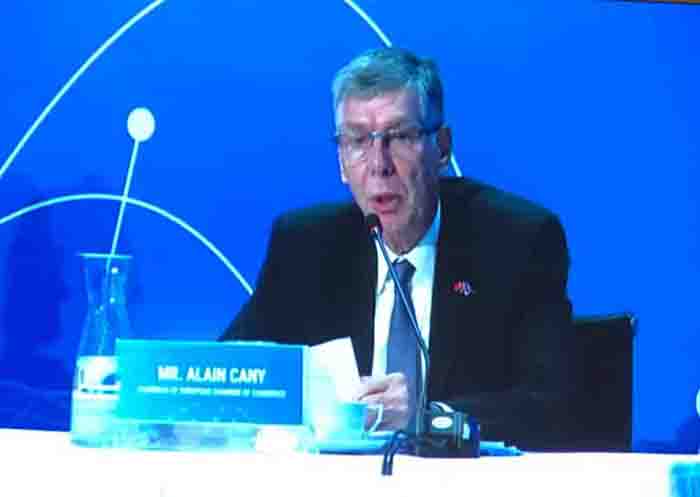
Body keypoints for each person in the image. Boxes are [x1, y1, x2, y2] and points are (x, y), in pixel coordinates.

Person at [221, 47, 574, 447]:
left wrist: (427, 417)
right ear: (341, 161)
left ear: (442, 148)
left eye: (401, 136)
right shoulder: (305, 246)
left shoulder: (517, 242)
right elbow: (231, 376)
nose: (379, 164)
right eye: (357, 140)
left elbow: (552, 404)